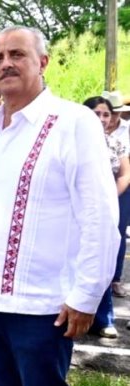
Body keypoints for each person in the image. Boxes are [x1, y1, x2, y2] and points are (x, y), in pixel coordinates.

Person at [0, 26, 120, 386]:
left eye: (17, 54)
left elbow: (100, 215)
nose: (6, 63)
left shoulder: (73, 121)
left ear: (42, 62)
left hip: (41, 303)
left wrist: (86, 294)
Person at [81, 96, 130, 338]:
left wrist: (108, 198)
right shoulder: (74, 143)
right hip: (77, 209)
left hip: (111, 204)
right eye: (95, 113)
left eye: (105, 114)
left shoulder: (115, 143)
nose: (101, 119)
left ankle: (103, 318)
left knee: (104, 258)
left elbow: (124, 174)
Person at [100, 90, 130, 300]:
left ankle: (115, 279)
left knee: (116, 235)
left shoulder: (124, 133)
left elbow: (125, 172)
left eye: (112, 114)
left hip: (119, 189)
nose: (107, 119)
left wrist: (112, 195)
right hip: (95, 193)